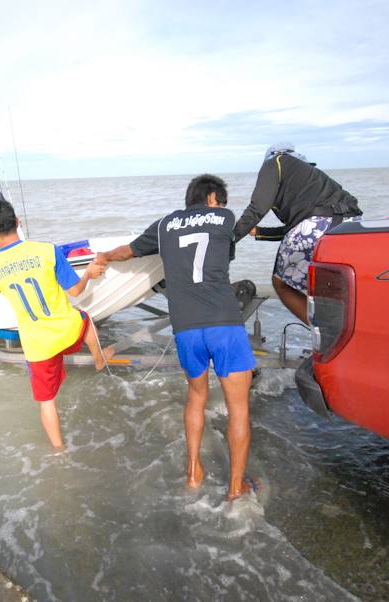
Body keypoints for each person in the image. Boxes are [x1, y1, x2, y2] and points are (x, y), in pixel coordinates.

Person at [95, 174, 257, 501]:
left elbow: (128, 252)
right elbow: (225, 251)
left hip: (186, 328)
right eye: (220, 200)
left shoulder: (164, 224)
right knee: (238, 408)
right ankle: (236, 488)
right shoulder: (225, 218)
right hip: (224, 324)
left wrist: (105, 256)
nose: (223, 206)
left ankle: (194, 470)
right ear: (212, 198)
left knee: (196, 396)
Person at [0, 199, 111, 449]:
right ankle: (98, 359)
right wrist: (88, 274)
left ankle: (59, 451)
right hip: (67, 330)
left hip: (37, 345)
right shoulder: (47, 251)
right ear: (18, 223)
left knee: (47, 401)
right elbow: (74, 291)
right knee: (85, 318)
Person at [233, 142, 362, 323]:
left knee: (281, 283)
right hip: (351, 227)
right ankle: (348, 334)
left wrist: (230, 239)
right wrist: (260, 232)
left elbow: (257, 208)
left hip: (318, 226)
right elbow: (306, 224)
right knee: (332, 288)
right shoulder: (311, 176)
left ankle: (326, 337)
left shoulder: (275, 162)